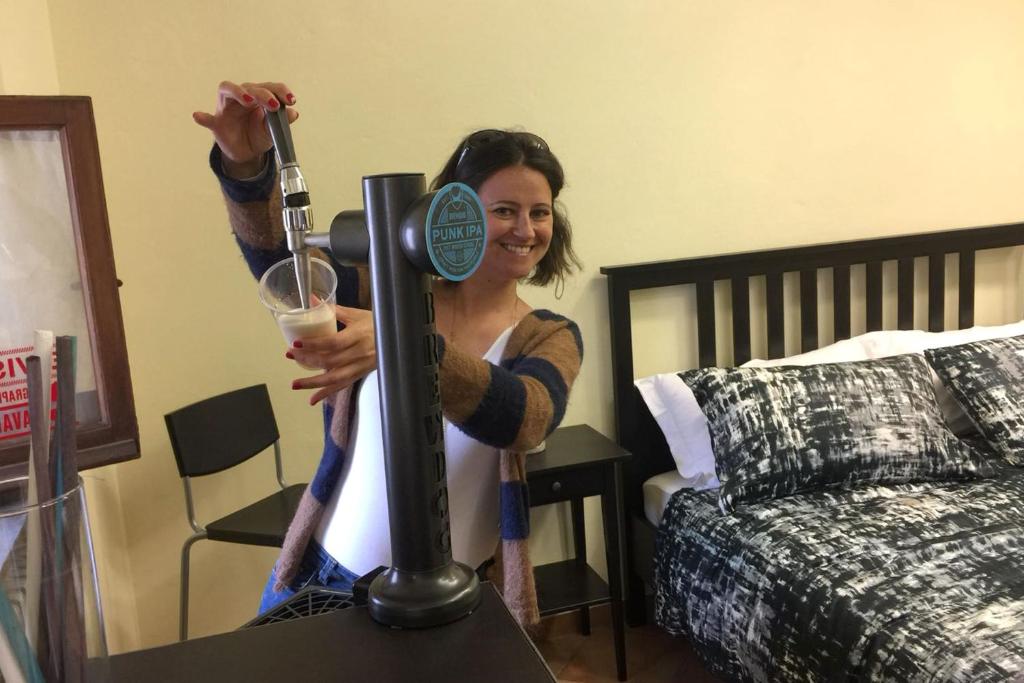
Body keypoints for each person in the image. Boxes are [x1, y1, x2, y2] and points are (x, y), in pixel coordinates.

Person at [194, 80, 583, 629]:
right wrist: (245, 164)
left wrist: (400, 343)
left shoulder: (547, 336)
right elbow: (285, 270)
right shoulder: (382, 294)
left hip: (456, 597)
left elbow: (525, 418)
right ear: (454, 214)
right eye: (503, 210)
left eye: (539, 212)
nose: (525, 229)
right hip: (325, 577)